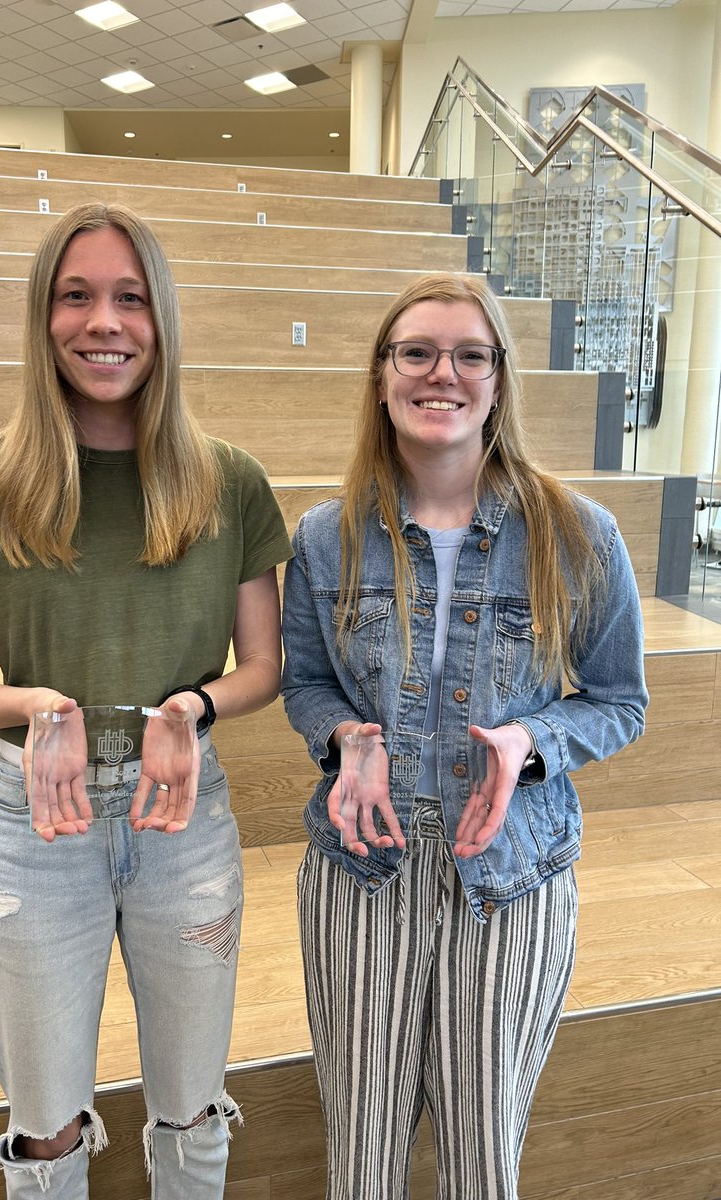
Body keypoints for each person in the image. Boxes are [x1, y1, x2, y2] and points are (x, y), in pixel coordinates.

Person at [0, 201, 292, 1200]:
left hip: (184, 819)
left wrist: (190, 709)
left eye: (131, 298)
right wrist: (36, 704)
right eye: (76, 296)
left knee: (192, 1100)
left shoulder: (229, 481)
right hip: (39, 824)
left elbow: (263, 665)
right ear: (44, 316)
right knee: (44, 1122)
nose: (104, 322)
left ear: (162, 318)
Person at [280, 272, 648, 1200]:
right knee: (362, 1161)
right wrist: (345, 739)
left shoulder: (580, 534)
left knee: (483, 1162)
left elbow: (618, 701)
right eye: (417, 352)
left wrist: (529, 741)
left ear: (498, 379)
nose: (441, 374)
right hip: (364, 866)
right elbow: (307, 683)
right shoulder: (324, 538)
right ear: (381, 376)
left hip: (510, 873)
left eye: (469, 355)